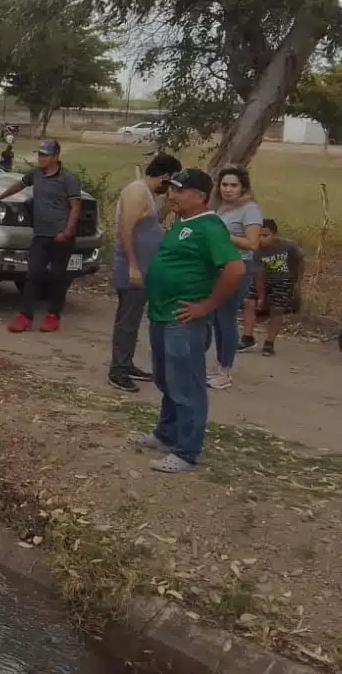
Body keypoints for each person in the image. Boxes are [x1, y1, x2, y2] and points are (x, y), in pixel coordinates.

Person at [134, 168, 245, 474]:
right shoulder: (183, 222)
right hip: (162, 313)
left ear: (199, 196)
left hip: (184, 320)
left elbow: (235, 269)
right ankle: (166, 433)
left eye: (179, 190)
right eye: (171, 189)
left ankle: (186, 451)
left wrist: (206, 305)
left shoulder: (210, 227)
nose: (172, 195)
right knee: (166, 379)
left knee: (186, 384)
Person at [0, 139, 82, 333]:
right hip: (40, 234)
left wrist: (68, 232)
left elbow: (75, 208)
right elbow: (18, 186)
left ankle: (53, 315)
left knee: (57, 277)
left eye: (45, 155)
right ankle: (25, 316)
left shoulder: (68, 179)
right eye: (39, 154)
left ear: (56, 157)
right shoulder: (36, 174)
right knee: (32, 275)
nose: (41, 158)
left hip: (61, 236)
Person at [107, 153, 183, 392]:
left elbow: (149, 225)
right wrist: (132, 265)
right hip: (133, 268)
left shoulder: (148, 194)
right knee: (127, 320)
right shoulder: (136, 191)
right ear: (165, 177)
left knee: (133, 318)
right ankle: (117, 370)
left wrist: (167, 210)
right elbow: (126, 229)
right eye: (171, 183)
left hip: (144, 267)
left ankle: (126, 363)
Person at [211, 167, 263, 388]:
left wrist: (223, 236)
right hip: (220, 268)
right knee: (217, 318)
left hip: (239, 267)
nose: (228, 189)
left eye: (233, 185)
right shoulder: (222, 208)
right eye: (224, 185)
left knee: (226, 318)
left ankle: (226, 370)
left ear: (243, 187)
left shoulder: (250, 209)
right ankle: (221, 366)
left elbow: (252, 243)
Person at [245, 219, 303, 357]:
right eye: (258, 235)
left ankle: (269, 343)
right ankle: (247, 338)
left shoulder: (288, 246)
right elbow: (259, 275)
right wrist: (261, 296)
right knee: (248, 302)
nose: (262, 239)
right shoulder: (257, 251)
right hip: (263, 279)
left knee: (277, 309)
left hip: (284, 280)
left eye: (265, 235)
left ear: (275, 234)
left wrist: (297, 283)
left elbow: (300, 262)